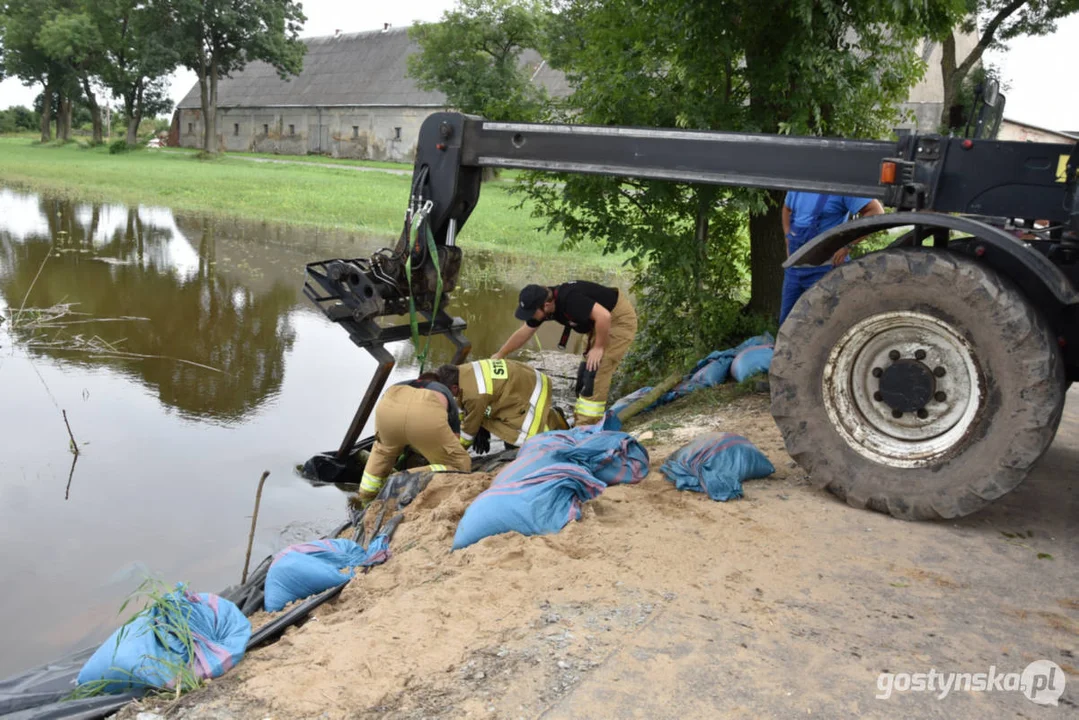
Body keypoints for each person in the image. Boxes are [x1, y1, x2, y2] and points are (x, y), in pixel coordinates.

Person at [492, 281, 637, 425]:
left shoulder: (570, 299)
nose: (530, 316)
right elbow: (524, 332)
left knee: (596, 372)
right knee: (583, 375)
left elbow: (604, 316)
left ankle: (586, 427)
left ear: (546, 305)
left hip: (617, 320)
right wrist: (500, 354)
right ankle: (580, 418)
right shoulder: (545, 305)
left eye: (531, 312)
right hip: (597, 323)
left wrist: (598, 348)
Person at [359, 372, 471, 505]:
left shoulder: (401, 385)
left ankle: (366, 496)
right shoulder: (443, 391)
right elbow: (454, 439)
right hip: (425, 414)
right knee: (460, 464)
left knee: (383, 453)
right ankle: (404, 477)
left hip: (387, 410)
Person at [780, 192, 884, 324]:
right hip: (793, 271)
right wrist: (787, 238)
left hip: (825, 271)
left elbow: (876, 212)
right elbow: (786, 209)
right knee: (787, 324)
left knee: (822, 326)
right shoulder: (800, 184)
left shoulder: (840, 185)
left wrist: (848, 245)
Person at [436, 360, 569, 452]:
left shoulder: (475, 395)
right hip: (524, 377)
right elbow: (463, 407)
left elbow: (469, 431)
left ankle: (554, 424)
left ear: (454, 387)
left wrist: (456, 453)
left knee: (524, 440)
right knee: (487, 418)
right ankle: (552, 415)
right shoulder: (462, 371)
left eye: (447, 393)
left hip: (529, 389)